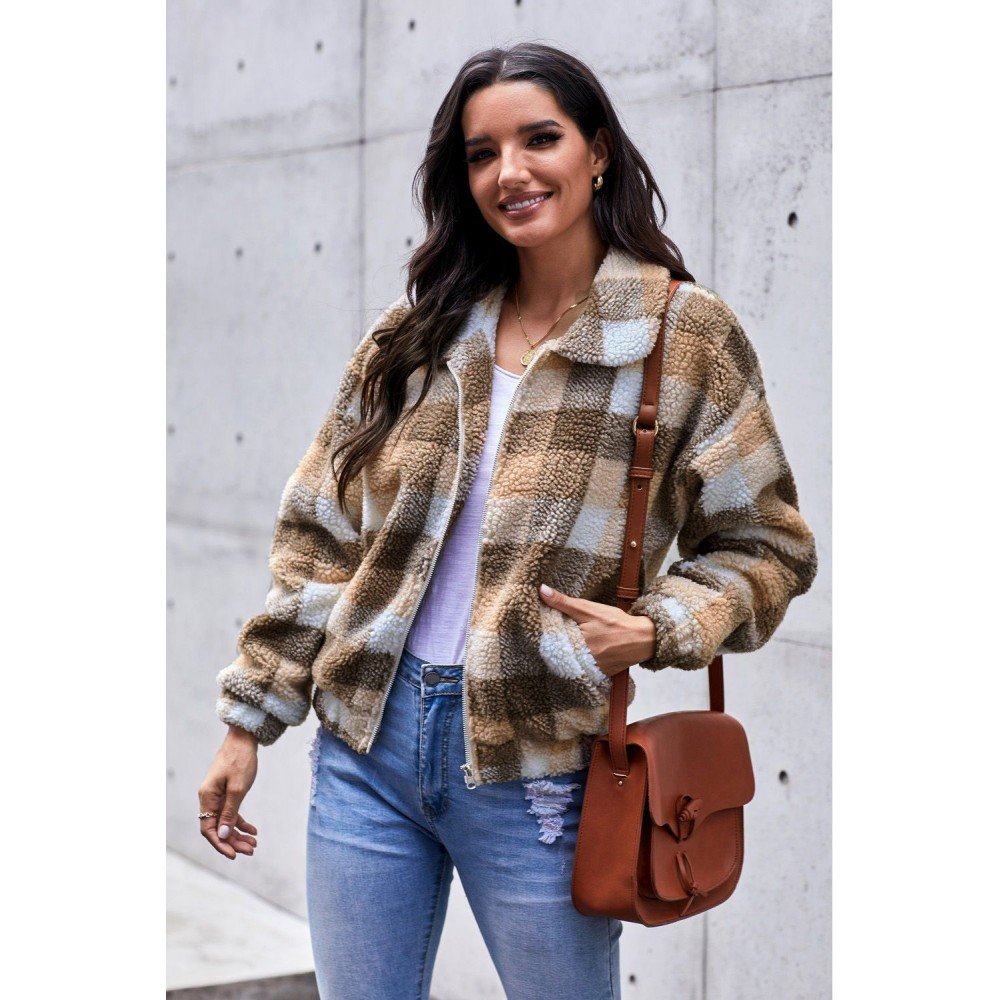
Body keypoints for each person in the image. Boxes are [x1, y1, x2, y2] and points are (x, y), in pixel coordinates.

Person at [197, 41, 818, 1000]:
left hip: (540, 766)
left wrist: (658, 627)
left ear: (597, 150)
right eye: (482, 154)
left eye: (540, 140)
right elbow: (322, 537)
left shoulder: (680, 335)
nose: (510, 173)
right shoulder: (418, 334)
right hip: (366, 748)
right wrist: (248, 722)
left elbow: (767, 545)